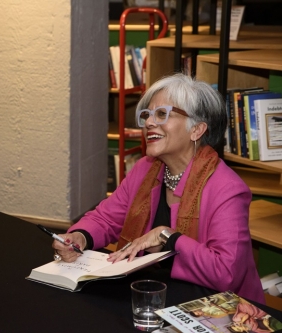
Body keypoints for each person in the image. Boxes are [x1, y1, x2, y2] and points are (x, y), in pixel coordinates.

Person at [52, 73, 264, 304]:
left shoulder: (227, 188)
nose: (150, 123)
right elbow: (106, 219)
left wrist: (168, 237)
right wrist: (80, 236)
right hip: (153, 293)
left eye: (162, 114)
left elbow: (226, 273)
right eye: (147, 115)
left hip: (217, 307)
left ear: (197, 130)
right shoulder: (145, 169)